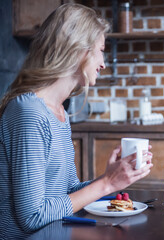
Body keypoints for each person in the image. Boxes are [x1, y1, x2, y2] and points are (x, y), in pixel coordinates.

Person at [0, 4, 153, 239]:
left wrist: (111, 178)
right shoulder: (29, 113)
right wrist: (106, 185)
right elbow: (32, 217)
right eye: (100, 50)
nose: (103, 63)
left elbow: (68, 192)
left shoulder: (59, 112)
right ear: (78, 50)